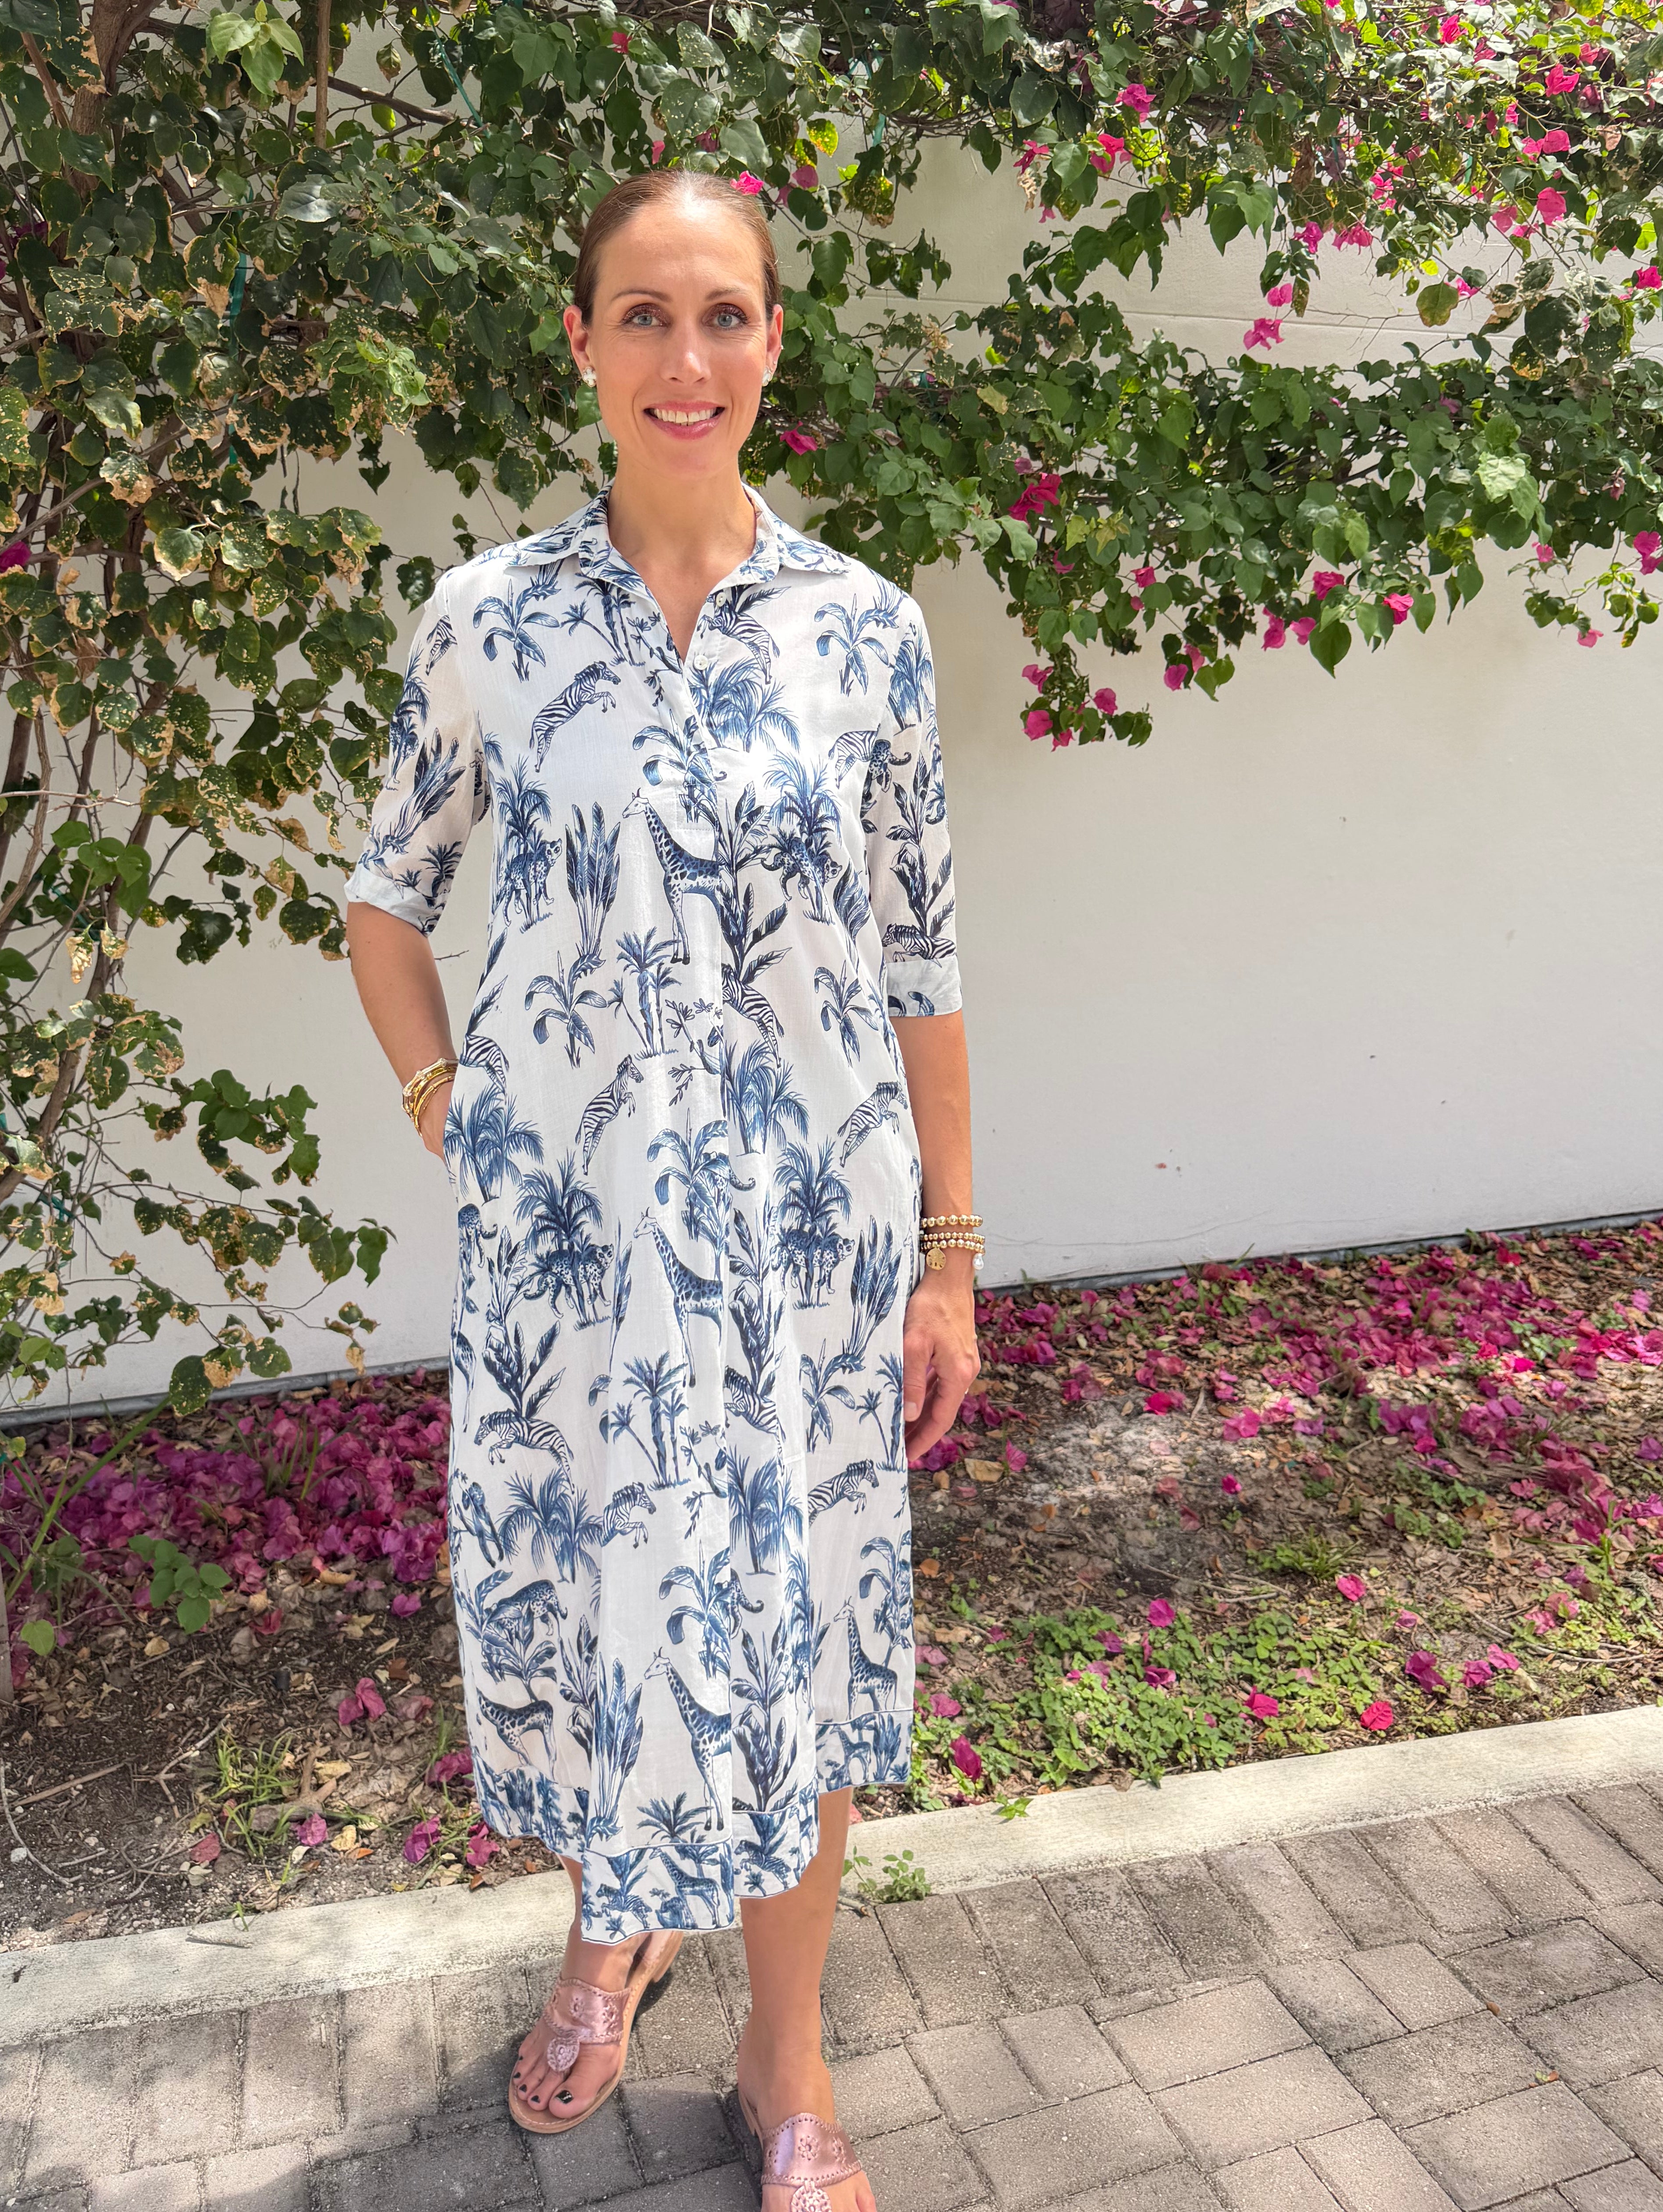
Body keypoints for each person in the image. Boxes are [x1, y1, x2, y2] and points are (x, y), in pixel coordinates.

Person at [346, 170, 981, 2212]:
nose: (686, 358)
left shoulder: (867, 634)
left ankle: (788, 2076)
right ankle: (608, 1938)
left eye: (724, 315)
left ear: (774, 342)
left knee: (791, 1654)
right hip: (584, 1265)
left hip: (815, 1261)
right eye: (645, 315)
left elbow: (924, 967)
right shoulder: (491, 624)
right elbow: (383, 900)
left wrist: (950, 1262)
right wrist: (463, 1113)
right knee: (615, 1625)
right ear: (585, 347)